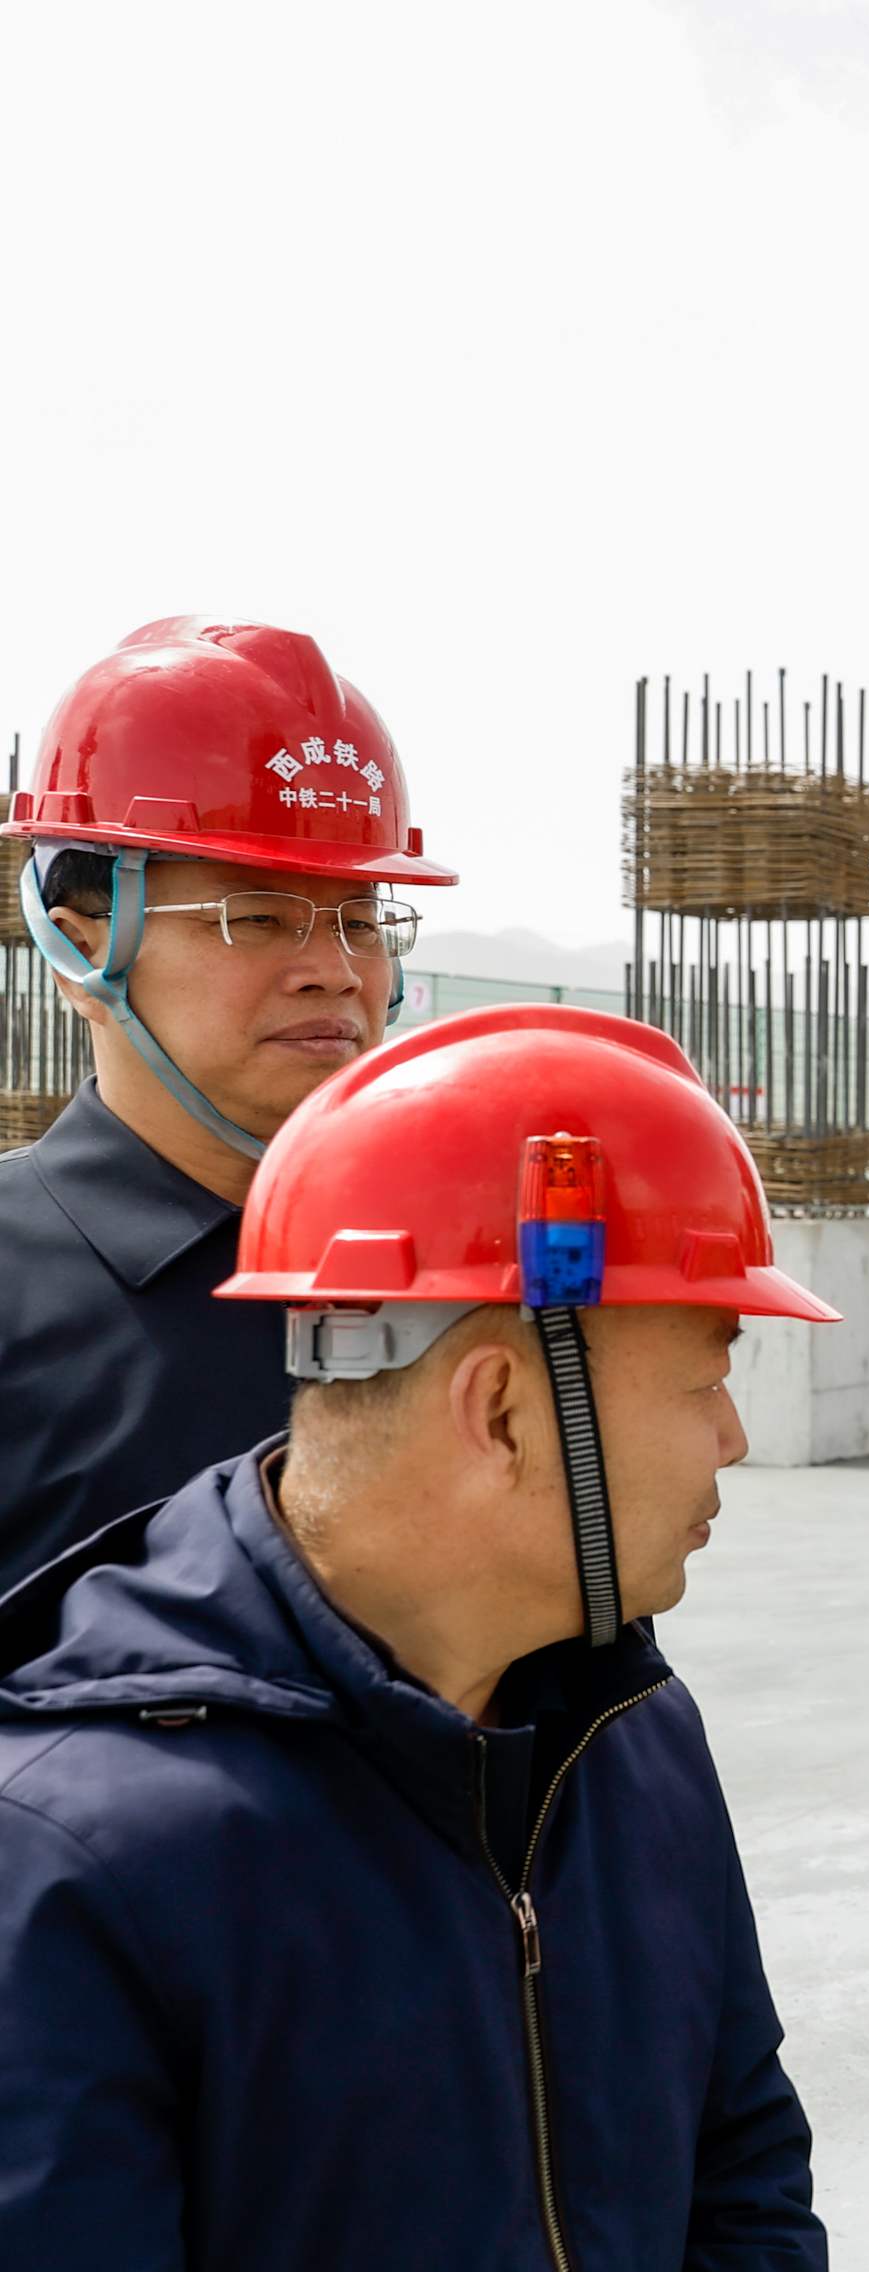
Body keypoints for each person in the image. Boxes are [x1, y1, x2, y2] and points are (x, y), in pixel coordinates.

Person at [0, 1004, 835, 2272]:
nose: (734, 1437)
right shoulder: (80, 1856)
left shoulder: (633, 1735)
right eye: (705, 1376)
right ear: (499, 1409)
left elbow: (742, 2176)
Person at [0, 617, 457, 1575]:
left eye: (361, 921)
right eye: (255, 917)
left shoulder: (459, 1264)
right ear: (80, 951)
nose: (336, 970)